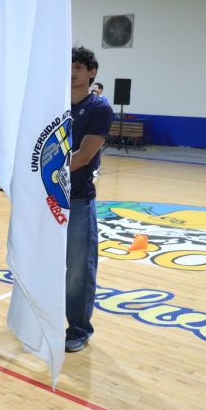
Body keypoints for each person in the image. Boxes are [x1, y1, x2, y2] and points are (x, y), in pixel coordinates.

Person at [65, 47, 114, 353]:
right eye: (69, 66)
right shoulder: (54, 104)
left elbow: (83, 156)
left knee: (79, 271)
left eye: (79, 67)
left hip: (78, 200)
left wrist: (45, 171)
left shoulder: (99, 108)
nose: (72, 72)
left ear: (92, 72)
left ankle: (79, 328)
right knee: (44, 263)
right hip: (48, 200)